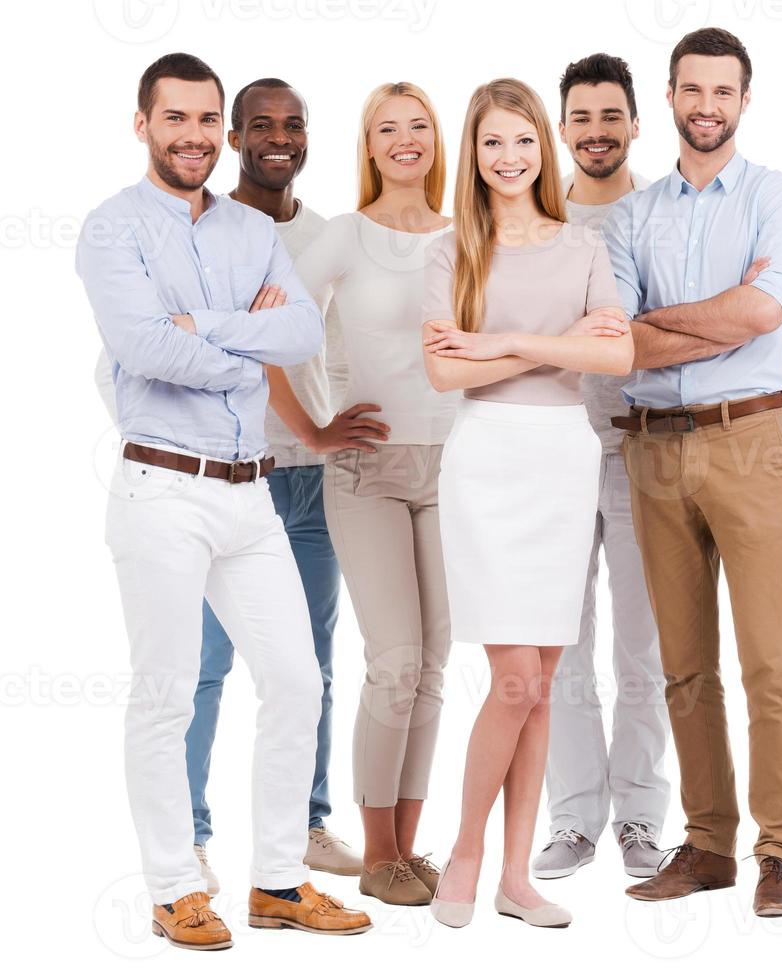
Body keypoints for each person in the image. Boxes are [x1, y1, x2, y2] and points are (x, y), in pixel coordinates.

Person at [76, 52, 370, 948]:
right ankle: (173, 888)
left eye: (207, 121)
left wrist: (197, 327)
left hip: (250, 499)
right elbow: (139, 346)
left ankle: (278, 881)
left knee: (296, 681)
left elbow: (300, 330)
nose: (195, 137)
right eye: (177, 120)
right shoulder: (111, 229)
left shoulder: (247, 229)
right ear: (143, 125)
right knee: (166, 693)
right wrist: (238, 353)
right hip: (162, 487)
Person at [601, 28, 782, 916]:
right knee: (682, 666)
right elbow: (615, 342)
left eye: (721, 92)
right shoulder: (629, 216)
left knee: (769, 659)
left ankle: (777, 854)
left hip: (749, 441)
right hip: (650, 446)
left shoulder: (776, 196)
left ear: (743, 99)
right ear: (671, 95)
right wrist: (720, 318)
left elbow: (767, 311)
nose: (705, 107)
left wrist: (676, 321)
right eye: (691, 90)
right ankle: (707, 844)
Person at [421, 78, 634, 929]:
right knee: (513, 680)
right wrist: (559, 348)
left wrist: (503, 340)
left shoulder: (581, 244)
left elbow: (614, 358)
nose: (508, 158)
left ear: (541, 147)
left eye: (521, 141)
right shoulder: (451, 250)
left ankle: (516, 875)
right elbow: (444, 373)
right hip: (486, 462)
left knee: (541, 684)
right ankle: (465, 850)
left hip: (561, 460)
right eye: (490, 143)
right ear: (471, 156)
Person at [288, 82, 460, 906]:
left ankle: (408, 850)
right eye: (386, 128)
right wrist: (318, 427)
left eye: (418, 126)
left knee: (433, 667)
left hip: (457, 472)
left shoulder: (468, 235)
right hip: (368, 471)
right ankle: (378, 851)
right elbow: (272, 330)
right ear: (367, 145)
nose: (404, 139)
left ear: (437, 139)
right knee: (394, 661)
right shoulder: (345, 238)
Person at [531, 52, 670, 883]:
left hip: (642, 446)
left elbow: (666, 335)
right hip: (549, 448)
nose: (595, 132)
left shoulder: (662, 214)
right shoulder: (540, 217)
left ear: (633, 123)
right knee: (562, 642)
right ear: (561, 128)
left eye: (609, 116)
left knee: (643, 646)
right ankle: (574, 819)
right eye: (580, 117)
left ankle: (642, 819)